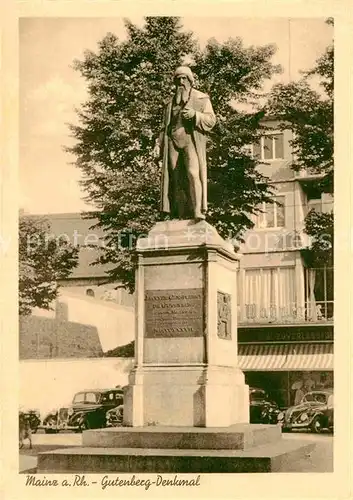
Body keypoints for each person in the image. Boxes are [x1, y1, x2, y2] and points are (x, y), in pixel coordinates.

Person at [157, 66, 216, 221]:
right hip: (172, 141)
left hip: (191, 140)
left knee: (192, 173)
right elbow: (164, 127)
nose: (181, 82)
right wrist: (158, 144)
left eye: (184, 78)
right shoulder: (169, 103)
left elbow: (211, 120)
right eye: (178, 79)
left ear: (190, 80)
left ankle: (197, 211)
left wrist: (195, 115)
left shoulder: (201, 98)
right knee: (175, 178)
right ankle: (179, 214)